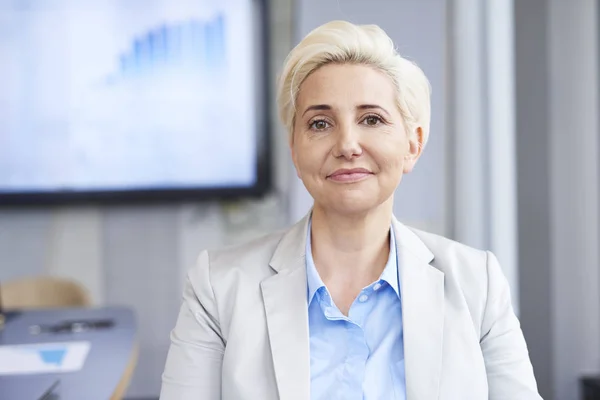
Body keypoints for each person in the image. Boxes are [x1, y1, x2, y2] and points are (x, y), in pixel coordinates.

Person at [160, 20, 542, 400]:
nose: (347, 144)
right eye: (320, 123)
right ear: (294, 149)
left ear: (413, 144)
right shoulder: (219, 288)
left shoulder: (478, 285)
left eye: (371, 119)